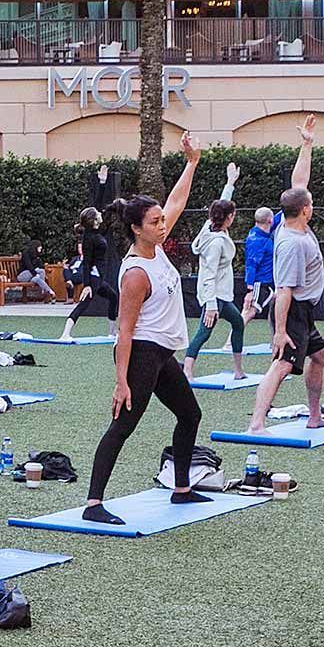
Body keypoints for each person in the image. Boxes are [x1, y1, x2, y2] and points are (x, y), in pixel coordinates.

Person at [80, 141, 212, 526]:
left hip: (160, 354)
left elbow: (176, 201)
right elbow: (124, 330)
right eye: (154, 222)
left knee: (190, 414)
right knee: (123, 425)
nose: (162, 224)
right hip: (138, 353)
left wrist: (192, 162)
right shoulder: (136, 271)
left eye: (161, 220)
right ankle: (93, 504)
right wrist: (121, 382)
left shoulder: (157, 248)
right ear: (136, 229)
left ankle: (182, 488)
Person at [246, 116, 324, 433]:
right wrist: (280, 332)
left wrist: (306, 145)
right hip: (291, 311)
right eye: (310, 203)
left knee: (319, 355)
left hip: (303, 311)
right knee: (281, 364)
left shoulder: (289, 221)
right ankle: (256, 423)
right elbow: (283, 291)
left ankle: (314, 416)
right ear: (306, 210)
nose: (311, 201)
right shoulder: (293, 242)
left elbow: (299, 183)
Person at [180, 163, 247, 379]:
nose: (233, 218)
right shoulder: (216, 242)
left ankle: (238, 371)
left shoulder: (209, 225)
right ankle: (187, 370)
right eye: (232, 215)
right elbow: (208, 273)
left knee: (238, 323)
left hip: (221, 294)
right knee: (204, 331)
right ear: (228, 218)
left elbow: (221, 205)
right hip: (213, 294)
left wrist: (230, 183)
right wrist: (210, 305)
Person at [62, 167, 120, 335]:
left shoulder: (95, 230)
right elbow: (86, 263)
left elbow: (97, 205)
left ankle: (112, 333)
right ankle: (65, 333)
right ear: (94, 220)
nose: (101, 214)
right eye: (98, 215)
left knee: (113, 297)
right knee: (83, 305)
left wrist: (102, 182)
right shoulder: (89, 238)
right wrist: (87, 285)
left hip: (99, 277)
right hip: (94, 277)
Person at [238, 203, 279, 323]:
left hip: (270, 282)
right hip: (261, 283)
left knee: (278, 308)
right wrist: (250, 290)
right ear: (269, 220)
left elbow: (277, 219)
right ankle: (230, 341)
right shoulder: (257, 240)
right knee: (249, 312)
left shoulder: (263, 231)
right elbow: (251, 265)